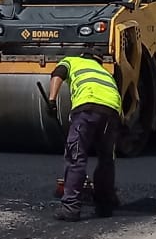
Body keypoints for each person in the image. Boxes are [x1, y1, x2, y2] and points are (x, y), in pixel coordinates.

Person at [45, 55, 122, 222]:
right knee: (106, 159)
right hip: (112, 112)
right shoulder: (105, 72)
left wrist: (51, 101)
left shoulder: (72, 61)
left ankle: (71, 208)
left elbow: (57, 74)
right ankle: (105, 205)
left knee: (76, 157)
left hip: (87, 108)